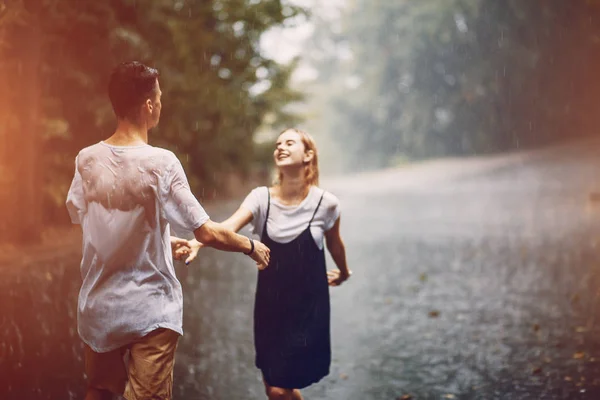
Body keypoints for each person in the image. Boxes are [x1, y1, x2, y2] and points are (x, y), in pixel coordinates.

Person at [65, 61, 270, 400]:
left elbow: (93, 226)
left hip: (99, 306)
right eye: (159, 97)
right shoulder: (161, 162)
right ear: (148, 106)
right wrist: (250, 246)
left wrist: (157, 239)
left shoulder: (86, 160)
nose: (161, 103)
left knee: (100, 391)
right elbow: (206, 233)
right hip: (151, 308)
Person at [183, 128, 352, 400]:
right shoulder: (261, 198)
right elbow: (227, 228)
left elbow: (335, 243)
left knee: (278, 389)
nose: (280, 147)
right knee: (274, 389)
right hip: (271, 307)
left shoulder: (326, 204)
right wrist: (199, 242)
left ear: (308, 155)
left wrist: (344, 272)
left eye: (289, 143)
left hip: (309, 308)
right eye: (277, 144)